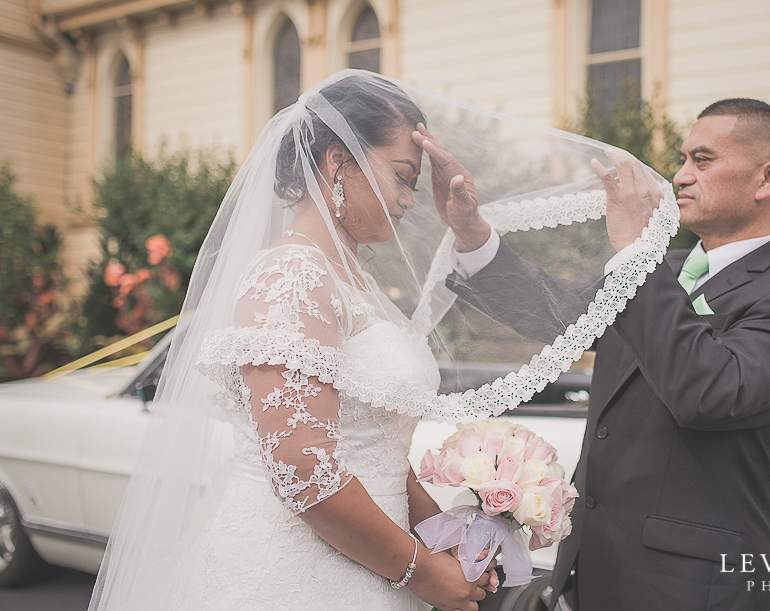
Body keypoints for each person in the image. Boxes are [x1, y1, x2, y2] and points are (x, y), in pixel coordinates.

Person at [87, 71, 679, 611]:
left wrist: (449, 544)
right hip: (293, 574)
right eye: (402, 178)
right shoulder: (292, 273)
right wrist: (422, 572)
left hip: (374, 563)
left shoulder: (357, 282)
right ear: (337, 161)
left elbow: (383, 456)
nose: (408, 202)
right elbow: (304, 471)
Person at [414, 98, 770, 610]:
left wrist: (636, 253)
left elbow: (707, 393)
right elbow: (559, 315)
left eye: (702, 161)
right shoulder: (659, 268)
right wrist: (471, 233)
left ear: (766, 179)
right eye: (682, 159)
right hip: (594, 573)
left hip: (694, 592)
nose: (681, 176)